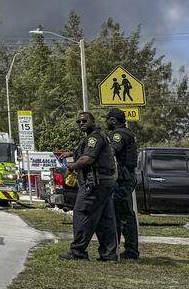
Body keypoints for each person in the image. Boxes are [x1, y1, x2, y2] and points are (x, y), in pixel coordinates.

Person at [59, 111, 118, 261]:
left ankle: (77, 252)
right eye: (79, 122)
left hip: (94, 184)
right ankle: (109, 254)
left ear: (92, 121)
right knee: (105, 220)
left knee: (82, 214)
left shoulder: (94, 138)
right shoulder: (97, 137)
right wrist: (72, 153)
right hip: (105, 183)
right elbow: (90, 153)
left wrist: (71, 167)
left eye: (84, 121)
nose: (81, 123)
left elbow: (88, 158)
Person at [105, 108, 139, 260]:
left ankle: (128, 251)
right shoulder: (128, 133)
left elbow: (110, 152)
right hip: (126, 178)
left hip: (122, 180)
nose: (106, 122)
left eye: (107, 120)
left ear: (113, 120)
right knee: (123, 215)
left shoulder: (119, 135)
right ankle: (122, 249)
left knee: (122, 215)